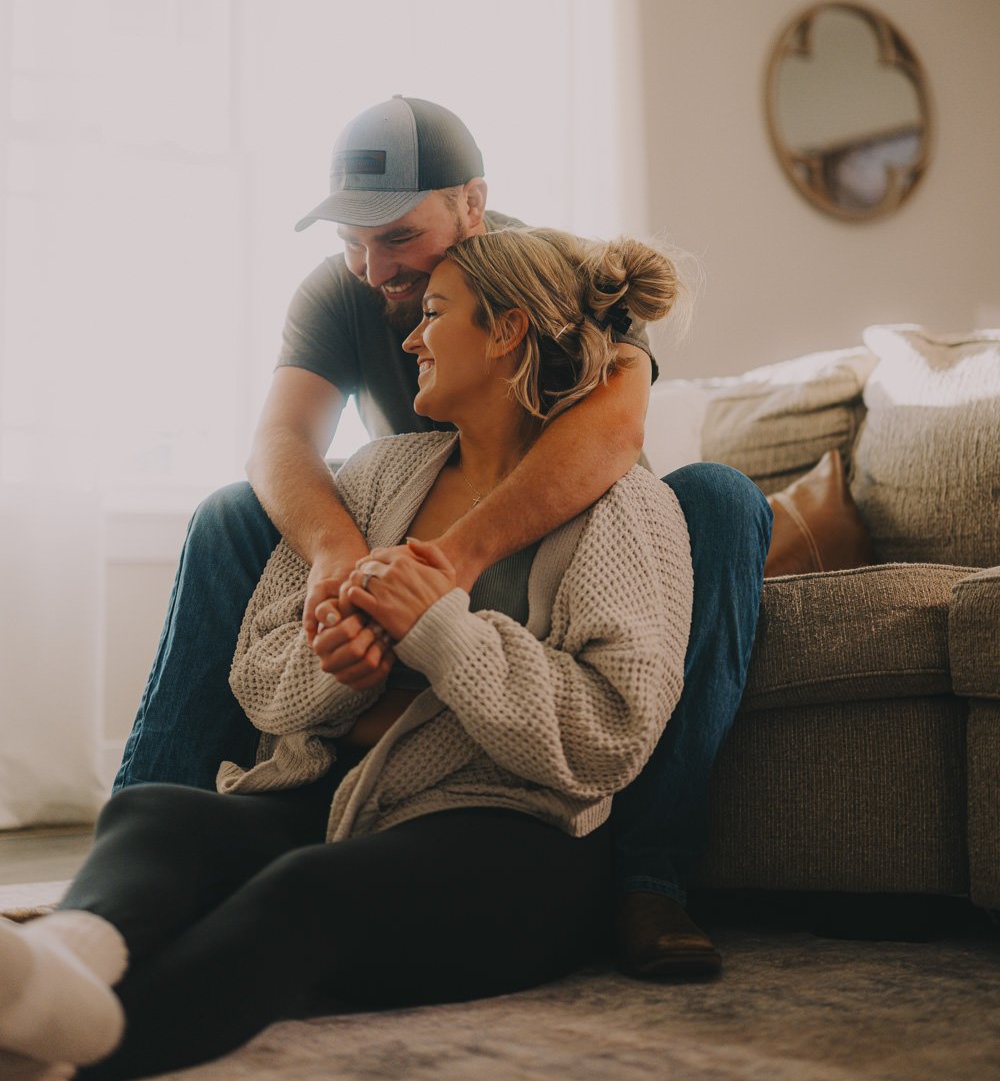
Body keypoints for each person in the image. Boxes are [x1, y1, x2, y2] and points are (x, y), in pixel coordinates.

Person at [0, 227, 695, 1081]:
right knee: (153, 815)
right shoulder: (376, 475)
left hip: (513, 841)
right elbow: (259, 673)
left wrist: (439, 630)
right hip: (339, 803)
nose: (409, 340)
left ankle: (65, 1059)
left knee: (305, 892)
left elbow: (611, 733)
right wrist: (334, 661)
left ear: (509, 331)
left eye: (434, 313)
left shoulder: (627, 507)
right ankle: (56, 970)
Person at [113, 95, 772, 976]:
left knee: (724, 500)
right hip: (417, 515)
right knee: (230, 513)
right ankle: (152, 845)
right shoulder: (343, 288)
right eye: (351, 240)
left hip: (555, 538)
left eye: (396, 237)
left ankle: (649, 879)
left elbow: (615, 432)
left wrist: (447, 565)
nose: (373, 266)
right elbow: (281, 439)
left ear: (472, 203)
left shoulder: (557, 274)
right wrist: (341, 559)